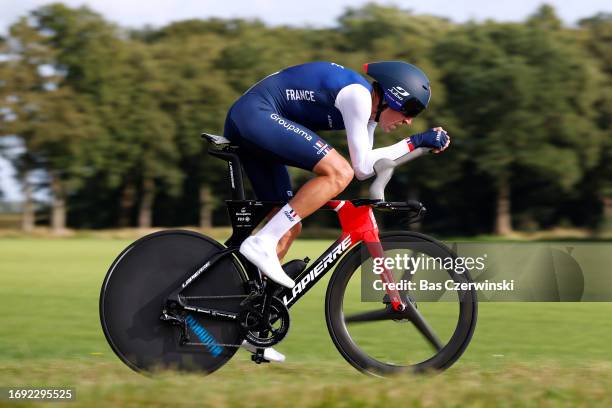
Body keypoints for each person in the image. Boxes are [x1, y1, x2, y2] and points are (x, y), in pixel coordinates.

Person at [223, 61, 450, 361]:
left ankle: (248, 327)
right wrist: (417, 141)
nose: (408, 121)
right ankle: (261, 241)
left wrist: (416, 145)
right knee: (337, 173)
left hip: (258, 119)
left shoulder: (368, 113)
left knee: (289, 227)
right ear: (394, 96)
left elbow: (366, 168)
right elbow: (353, 171)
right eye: (409, 111)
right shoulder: (357, 95)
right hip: (256, 116)